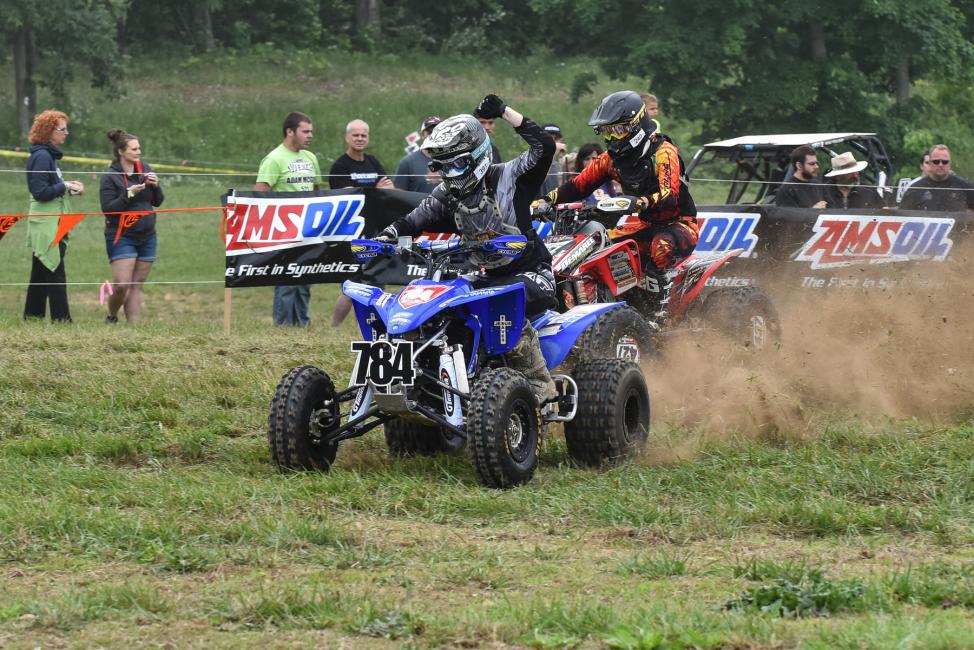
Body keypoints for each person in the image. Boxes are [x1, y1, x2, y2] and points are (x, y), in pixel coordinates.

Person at [377, 95, 558, 403]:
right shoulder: (446, 194)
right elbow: (417, 218)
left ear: (478, 155)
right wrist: (389, 234)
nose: (451, 175)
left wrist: (502, 111)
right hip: (484, 277)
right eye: (443, 167)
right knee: (439, 310)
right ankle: (425, 384)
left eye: (458, 165)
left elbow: (545, 146)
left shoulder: (511, 177)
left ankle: (542, 389)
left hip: (532, 273)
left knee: (503, 305)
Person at [546, 91, 698, 325]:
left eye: (617, 129)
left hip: (680, 223)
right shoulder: (611, 158)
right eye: (607, 131)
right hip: (644, 223)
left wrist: (642, 202)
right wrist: (547, 200)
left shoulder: (663, 152)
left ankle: (661, 315)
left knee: (661, 247)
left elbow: (670, 195)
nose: (612, 137)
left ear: (637, 123)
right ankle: (610, 303)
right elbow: (578, 186)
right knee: (599, 246)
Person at [255, 111, 321, 326]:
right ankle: (282, 326)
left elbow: (317, 190)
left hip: (309, 229)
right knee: (286, 280)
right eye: (305, 131)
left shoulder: (311, 158)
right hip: (284, 230)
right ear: (290, 132)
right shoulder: (274, 159)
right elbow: (260, 192)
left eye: (311, 131)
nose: (310, 135)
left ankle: (302, 324)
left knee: (305, 278)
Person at [99, 128, 165, 323]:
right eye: (134, 149)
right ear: (121, 152)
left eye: (139, 148)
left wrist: (155, 185)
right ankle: (111, 316)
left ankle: (135, 332)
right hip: (121, 235)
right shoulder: (110, 177)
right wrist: (129, 193)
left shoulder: (145, 168)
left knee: (136, 285)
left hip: (147, 235)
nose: (139, 152)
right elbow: (108, 209)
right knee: (121, 285)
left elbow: (158, 201)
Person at [24, 109, 84, 322]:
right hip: (46, 223)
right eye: (62, 129)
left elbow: (52, 188)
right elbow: (40, 192)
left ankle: (32, 317)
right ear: (49, 132)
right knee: (55, 268)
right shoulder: (41, 157)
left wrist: (68, 188)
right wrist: (64, 185)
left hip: (51, 221)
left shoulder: (47, 156)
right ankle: (62, 320)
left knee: (41, 269)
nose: (66, 133)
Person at [900, 144, 974, 212]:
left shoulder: (965, 188)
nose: (940, 165)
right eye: (936, 161)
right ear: (930, 163)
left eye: (945, 162)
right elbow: (902, 218)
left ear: (950, 164)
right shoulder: (915, 189)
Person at [328, 119, 394, 190]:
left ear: (368, 138)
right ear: (347, 138)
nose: (360, 139)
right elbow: (350, 196)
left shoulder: (373, 162)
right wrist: (377, 190)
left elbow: (389, 188)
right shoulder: (339, 167)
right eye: (356, 135)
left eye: (363, 136)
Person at [393, 116, 442, 194]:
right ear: (422, 135)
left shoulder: (454, 161)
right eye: (430, 132)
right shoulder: (407, 162)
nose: (434, 136)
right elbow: (398, 195)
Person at [540, 123, 567, 197]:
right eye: (549, 138)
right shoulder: (532, 160)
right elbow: (539, 180)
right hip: (536, 206)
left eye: (556, 139)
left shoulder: (562, 162)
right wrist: (552, 154)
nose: (553, 142)